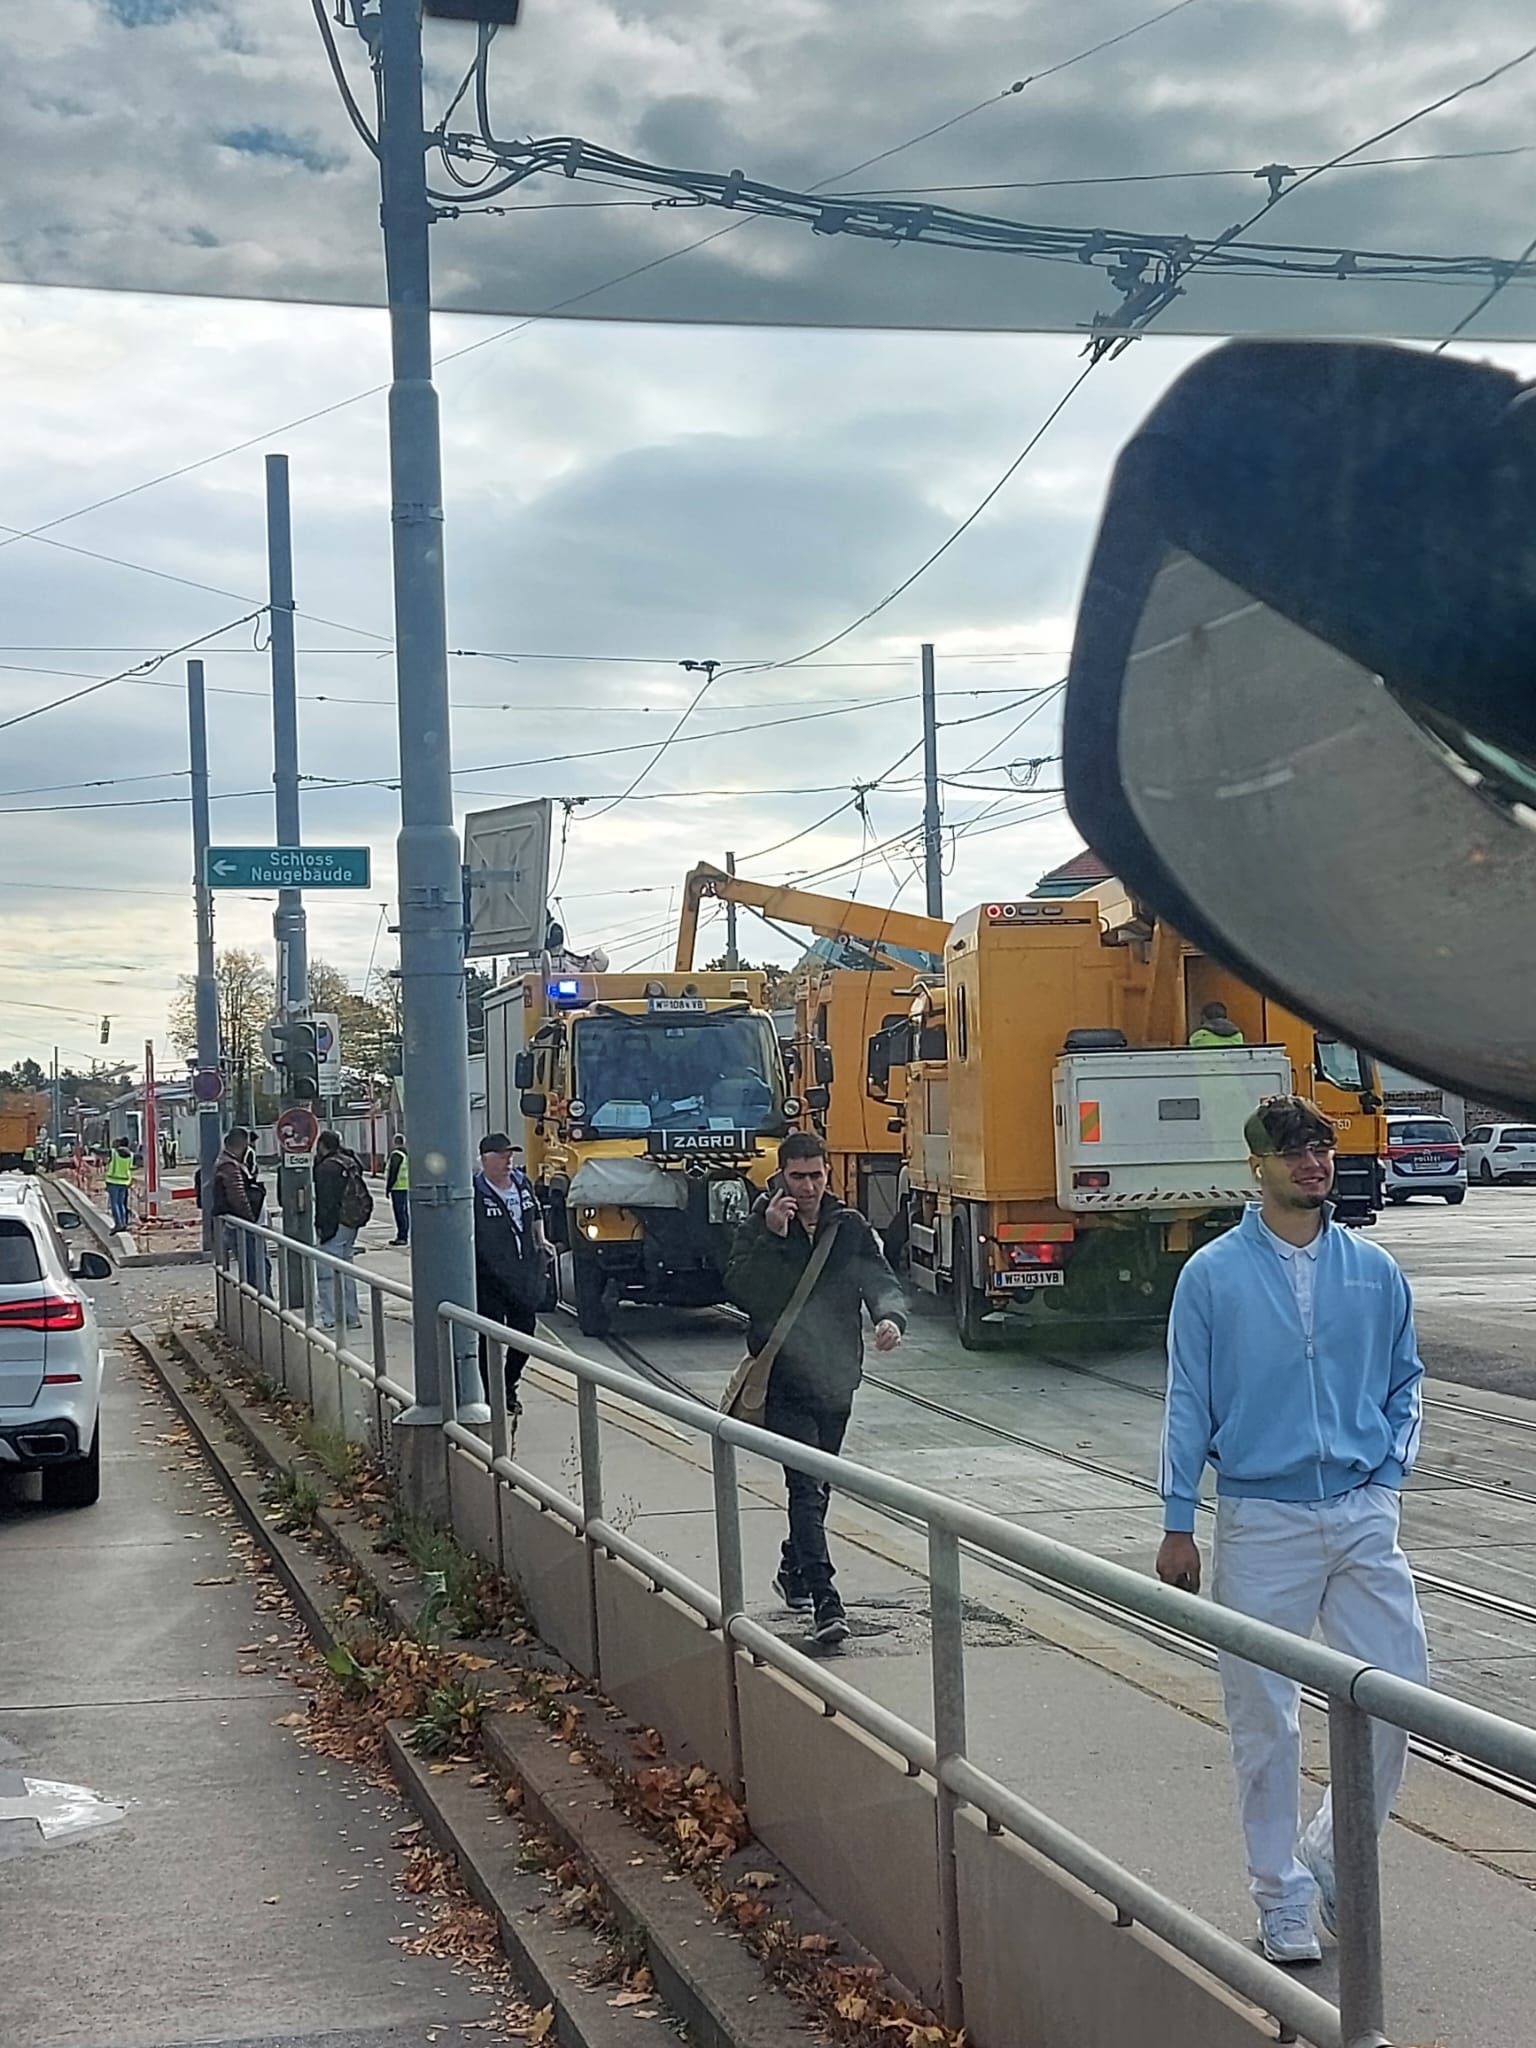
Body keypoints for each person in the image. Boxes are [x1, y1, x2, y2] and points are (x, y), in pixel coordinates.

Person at [1157, 1095, 1428, 1966]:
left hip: (1359, 1512)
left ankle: (1331, 1852)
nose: (1314, 1162)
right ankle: (1279, 1895)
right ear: (1258, 1167)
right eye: (1294, 1150)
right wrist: (1177, 1520)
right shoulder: (1211, 1275)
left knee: (1399, 1694)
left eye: (1322, 1147)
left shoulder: (1375, 1270)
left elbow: (1405, 1382)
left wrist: (1387, 1476)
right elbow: (1187, 1402)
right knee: (1264, 1718)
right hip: (1263, 1516)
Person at [725, 1130, 906, 1645]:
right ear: (781, 1175)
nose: (807, 1187)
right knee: (804, 1486)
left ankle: (792, 1567)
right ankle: (827, 1600)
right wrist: (774, 1237)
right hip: (785, 1379)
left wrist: (889, 1317)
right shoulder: (758, 1226)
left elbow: (878, 1278)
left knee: (819, 1486)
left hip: (837, 1376)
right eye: (797, 1176)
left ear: (828, 1174)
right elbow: (744, 1292)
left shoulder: (846, 1226)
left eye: (816, 1176)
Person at [473, 1132, 550, 1420]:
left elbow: (535, 1213)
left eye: (511, 1156)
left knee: (525, 1333)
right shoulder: (476, 1191)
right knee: (490, 1338)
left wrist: (541, 1239)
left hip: (522, 1273)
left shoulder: (522, 1182)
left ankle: (508, 1384)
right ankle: (493, 1395)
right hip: (489, 1276)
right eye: (502, 1156)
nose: (508, 1161)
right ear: (485, 1159)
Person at [313, 1131, 372, 1331]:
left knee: (326, 1272)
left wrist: (322, 1228)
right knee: (347, 1269)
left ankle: (330, 1318)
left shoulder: (327, 1168)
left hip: (335, 1224)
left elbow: (326, 1203)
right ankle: (351, 1315)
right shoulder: (350, 1162)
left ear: (322, 1145)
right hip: (352, 1221)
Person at [211, 1125, 266, 1289]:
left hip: (238, 1225)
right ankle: (262, 1308)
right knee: (257, 1270)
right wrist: (250, 1220)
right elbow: (238, 1197)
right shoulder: (230, 1166)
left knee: (256, 1268)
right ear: (242, 1145)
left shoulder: (227, 1163)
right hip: (243, 1227)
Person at [384, 1133, 410, 1246]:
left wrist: (388, 1188)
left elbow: (392, 1173)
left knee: (399, 1213)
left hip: (397, 1187)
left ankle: (401, 1237)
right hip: (405, 1186)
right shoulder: (406, 1154)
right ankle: (404, 1235)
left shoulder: (396, 1155)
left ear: (395, 1142)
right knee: (404, 1212)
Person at [104, 1141, 135, 1230]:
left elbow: (101, 1151)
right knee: (121, 1204)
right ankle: (124, 1223)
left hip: (113, 1182)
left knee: (115, 1204)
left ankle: (118, 1224)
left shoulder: (114, 1154)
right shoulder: (130, 1155)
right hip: (124, 1183)